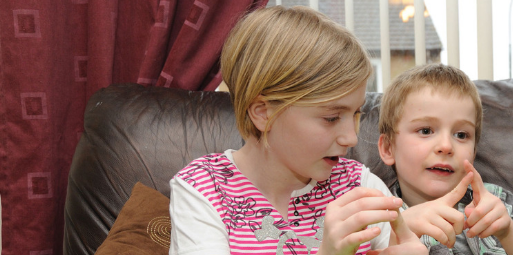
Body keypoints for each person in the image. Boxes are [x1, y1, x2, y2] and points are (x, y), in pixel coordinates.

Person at [169, 6, 424, 255]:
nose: (352, 137)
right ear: (263, 112)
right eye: (332, 117)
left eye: (356, 114)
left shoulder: (360, 186)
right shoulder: (202, 190)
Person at [376, 64, 513, 255]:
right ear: (388, 148)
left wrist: (508, 232)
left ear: (473, 152)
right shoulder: (378, 221)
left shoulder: (497, 203)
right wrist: (393, 235)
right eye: (426, 131)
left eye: (461, 135)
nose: (447, 146)